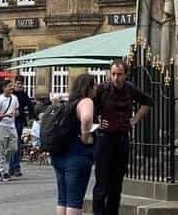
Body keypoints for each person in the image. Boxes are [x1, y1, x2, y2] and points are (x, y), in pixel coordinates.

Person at [93, 59, 152, 215]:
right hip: (105, 139)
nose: (116, 78)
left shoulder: (130, 88)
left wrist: (135, 119)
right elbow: (87, 104)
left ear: (126, 75)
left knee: (116, 183)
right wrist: (96, 121)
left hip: (122, 139)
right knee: (102, 183)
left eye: (119, 74)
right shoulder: (102, 89)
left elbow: (147, 102)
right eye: (113, 74)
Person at [52, 74, 98, 215]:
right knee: (74, 200)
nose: (96, 88)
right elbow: (87, 117)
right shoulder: (86, 101)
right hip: (77, 156)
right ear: (88, 88)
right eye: (94, 85)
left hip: (59, 155)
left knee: (63, 199)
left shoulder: (69, 103)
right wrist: (85, 136)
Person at [0, 79, 19, 182]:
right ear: (4, 88)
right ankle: (4, 172)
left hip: (11, 126)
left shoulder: (15, 98)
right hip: (1, 126)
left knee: (13, 148)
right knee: (1, 149)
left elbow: (16, 110)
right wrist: (5, 115)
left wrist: (16, 113)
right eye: (9, 86)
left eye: (12, 86)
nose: (12, 88)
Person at [10, 75, 36, 178]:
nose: (19, 85)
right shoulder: (11, 94)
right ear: (14, 83)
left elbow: (30, 106)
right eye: (17, 83)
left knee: (17, 144)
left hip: (19, 121)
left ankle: (16, 167)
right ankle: (11, 167)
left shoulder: (23, 94)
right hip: (10, 121)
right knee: (11, 145)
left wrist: (32, 117)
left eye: (20, 84)